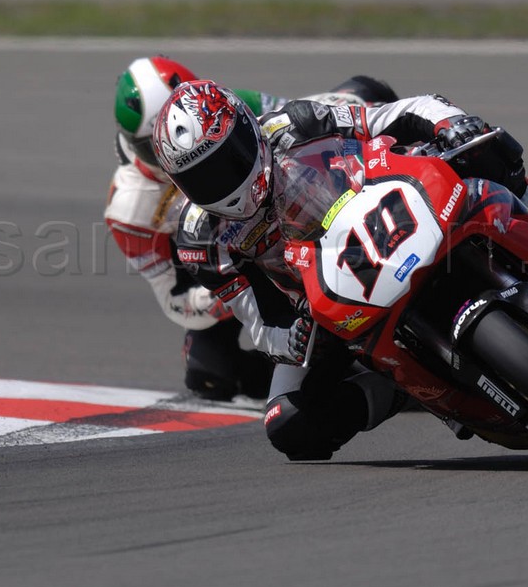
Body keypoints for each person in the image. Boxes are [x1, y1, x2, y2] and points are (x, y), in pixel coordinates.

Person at [153, 80, 528, 459]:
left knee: (479, 145)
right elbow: (256, 319)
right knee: (290, 425)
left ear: (247, 130)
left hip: (388, 216)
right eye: (203, 177)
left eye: (229, 158)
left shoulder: (296, 123)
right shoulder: (202, 237)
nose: (224, 180)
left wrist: (449, 123)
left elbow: (394, 114)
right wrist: (289, 338)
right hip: (326, 303)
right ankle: (399, 386)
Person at [105, 55, 399, 401]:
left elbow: (293, 118)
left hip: (287, 211)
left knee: (365, 90)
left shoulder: (218, 107)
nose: (174, 151)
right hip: (225, 265)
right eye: (153, 147)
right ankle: (334, 379)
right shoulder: (128, 210)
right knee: (209, 370)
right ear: (131, 144)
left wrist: (351, 107)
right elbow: (173, 299)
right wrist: (230, 291)